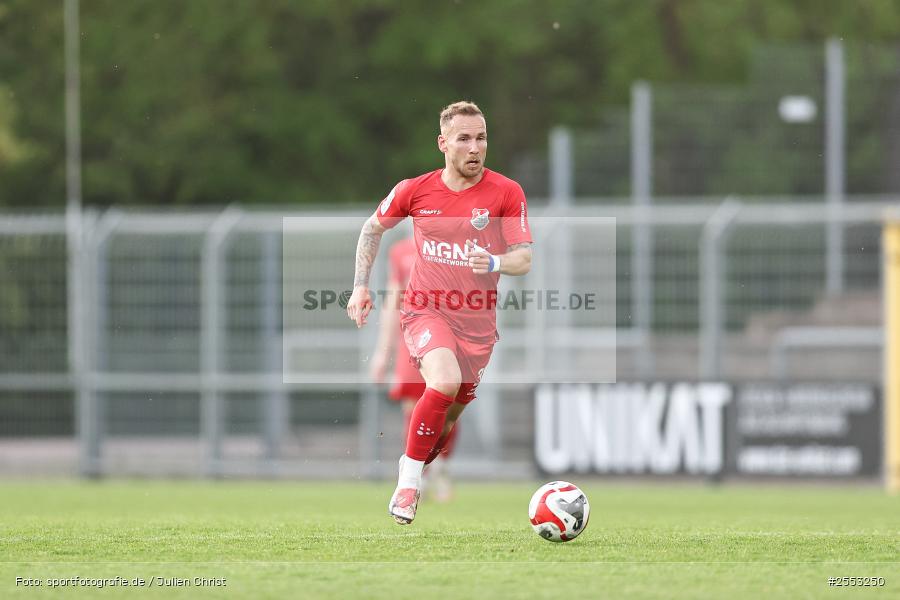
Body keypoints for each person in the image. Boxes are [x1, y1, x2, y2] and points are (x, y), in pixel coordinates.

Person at [346, 100, 532, 525]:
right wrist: (360, 286)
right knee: (443, 381)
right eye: (464, 138)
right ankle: (408, 482)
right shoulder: (415, 190)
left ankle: (425, 466)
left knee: (445, 424)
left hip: (478, 327)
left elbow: (523, 258)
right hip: (425, 310)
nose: (474, 147)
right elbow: (371, 228)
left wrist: (495, 262)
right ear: (443, 143)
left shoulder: (506, 192)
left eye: (481, 138)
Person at [368, 236, 458, 501]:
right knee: (411, 405)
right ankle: (417, 475)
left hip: (450, 330)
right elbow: (392, 303)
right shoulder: (400, 252)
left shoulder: (454, 245)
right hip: (413, 333)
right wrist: (382, 353)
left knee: (449, 405)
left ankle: (441, 466)